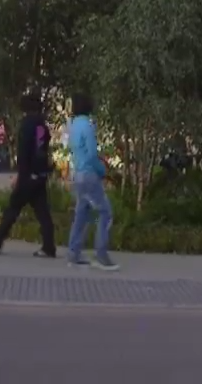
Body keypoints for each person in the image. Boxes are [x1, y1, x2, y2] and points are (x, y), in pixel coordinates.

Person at [0, 93, 56, 259]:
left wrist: (21, 174)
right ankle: (49, 246)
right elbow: (42, 150)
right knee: (43, 212)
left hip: (28, 176)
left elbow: (24, 153)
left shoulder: (26, 125)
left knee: (13, 209)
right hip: (40, 174)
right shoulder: (42, 126)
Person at [66, 94, 118, 271]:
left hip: (78, 174)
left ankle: (74, 253)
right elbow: (91, 154)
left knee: (82, 212)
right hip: (89, 174)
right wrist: (102, 170)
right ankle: (101, 254)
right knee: (105, 212)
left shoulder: (72, 126)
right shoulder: (87, 126)